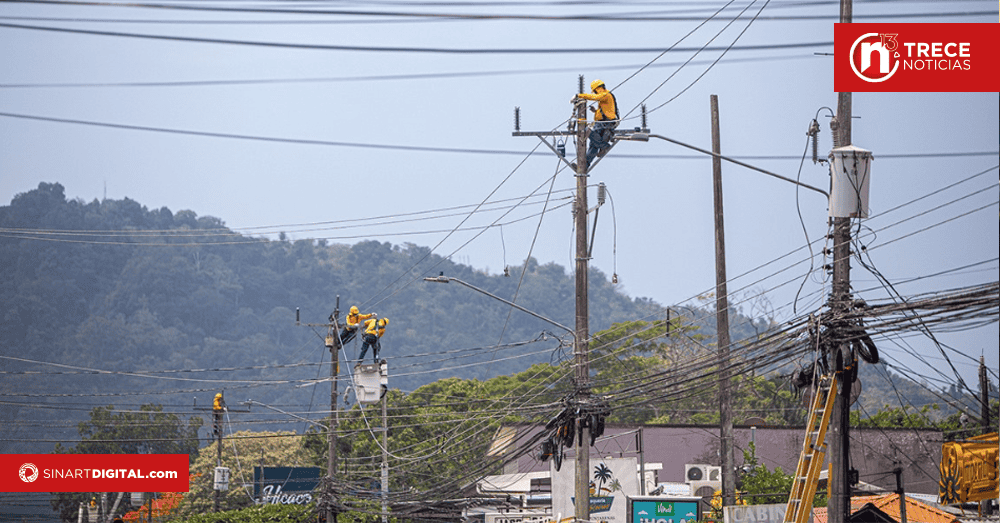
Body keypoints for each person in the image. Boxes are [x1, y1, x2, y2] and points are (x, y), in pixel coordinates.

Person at [572, 79, 619, 168]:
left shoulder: (605, 95)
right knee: (593, 145)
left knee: (586, 131)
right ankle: (584, 165)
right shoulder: (606, 97)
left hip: (605, 124)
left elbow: (595, 97)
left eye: (594, 91)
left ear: (597, 88)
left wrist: (579, 96)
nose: (594, 93)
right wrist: (596, 111)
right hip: (603, 123)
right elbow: (606, 111)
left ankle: (604, 146)